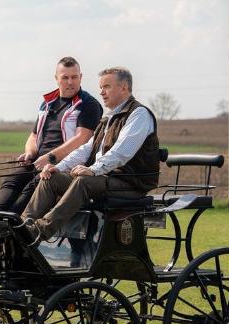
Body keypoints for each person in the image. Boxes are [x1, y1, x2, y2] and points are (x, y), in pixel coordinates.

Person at [21, 66, 160, 244]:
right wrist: (58, 167)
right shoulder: (108, 119)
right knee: (51, 179)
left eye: (106, 87)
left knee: (83, 181)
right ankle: (23, 227)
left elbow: (121, 153)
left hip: (130, 183)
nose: (101, 92)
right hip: (104, 179)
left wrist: (93, 170)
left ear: (124, 88)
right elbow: (86, 149)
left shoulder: (139, 114)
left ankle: (40, 230)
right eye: (101, 87)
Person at [0, 56, 102, 213]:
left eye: (74, 77)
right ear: (56, 78)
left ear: (81, 77)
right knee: (12, 179)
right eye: (65, 77)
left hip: (64, 165)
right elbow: (34, 135)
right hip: (39, 161)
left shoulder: (88, 104)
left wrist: (50, 158)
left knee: (32, 186)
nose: (70, 82)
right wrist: (30, 152)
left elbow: (82, 139)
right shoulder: (47, 103)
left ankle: (12, 223)